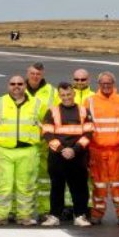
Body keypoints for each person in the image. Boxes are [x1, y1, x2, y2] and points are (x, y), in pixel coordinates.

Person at [0, 76, 43, 227]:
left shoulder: (38, 104)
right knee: (2, 184)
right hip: (4, 151)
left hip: (28, 150)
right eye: (13, 84)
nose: (16, 86)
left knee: (26, 185)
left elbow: (45, 125)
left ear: (25, 85)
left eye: (20, 84)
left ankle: (24, 216)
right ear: (8, 86)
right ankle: (0, 215)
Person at [41, 82, 94, 227]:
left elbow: (89, 133)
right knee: (57, 186)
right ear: (59, 96)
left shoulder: (84, 111)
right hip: (58, 156)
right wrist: (61, 150)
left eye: (69, 94)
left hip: (78, 155)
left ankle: (80, 215)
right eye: (63, 95)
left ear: (74, 93)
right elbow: (47, 133)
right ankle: (54, 215)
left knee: (80, 187)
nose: (66, 98)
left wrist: (74, 149)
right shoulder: (52, 111)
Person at [85, 72, 119, 225]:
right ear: (99, 84)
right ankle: (97, 213)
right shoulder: (89, 101)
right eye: (103, 83)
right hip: (97, 150)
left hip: (118, 150)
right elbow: (86, 125)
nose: (106, 85)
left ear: (113, 83)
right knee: (98, 184)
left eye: (109, 83)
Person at [24, 63, 56, 221]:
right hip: (25, 142)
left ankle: (45, 210)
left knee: (44, 179)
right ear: (27, 73)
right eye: (32, 73)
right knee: (25, 179)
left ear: (42, 74)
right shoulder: (19, 88)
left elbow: (57, 114)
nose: (35, 76)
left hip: (44, 142)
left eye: (38, 73)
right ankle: (24, 212)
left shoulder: (51, 92)